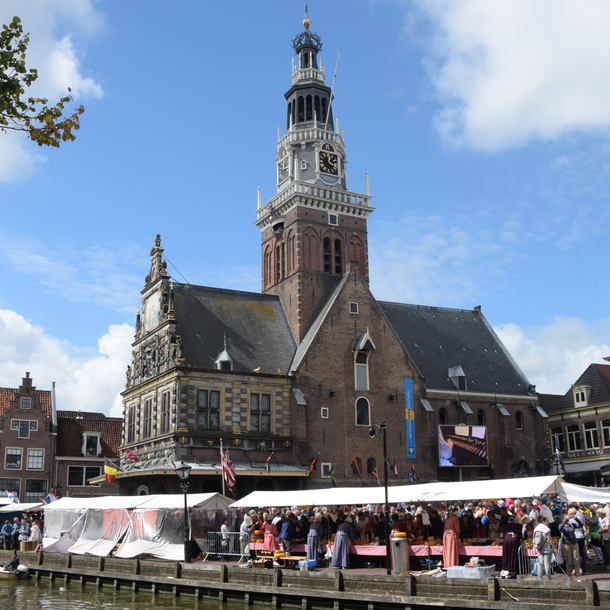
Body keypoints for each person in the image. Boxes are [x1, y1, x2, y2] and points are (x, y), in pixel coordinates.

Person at [559, 510, 582, 582]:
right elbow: (560, 528)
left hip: (574, 543)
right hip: (566, 544)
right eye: (565, 518)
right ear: (563, 519)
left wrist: (576, 518)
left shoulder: (572, 525)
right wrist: (565, 520)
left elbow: (581, 525)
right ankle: (569, 576)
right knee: (568, 561)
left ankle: (578, 576)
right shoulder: (562, 526)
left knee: (575, 560)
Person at [534, 516, 556, 581]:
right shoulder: (546, 528)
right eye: (547, 521)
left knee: (540, 563)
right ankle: (549, 579)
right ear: (543, 521)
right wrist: (554, 548)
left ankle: (540, 578)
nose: (548, 523)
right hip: (546, 546)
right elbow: (549, 539)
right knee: (547, 564)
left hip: (539, 546)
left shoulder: (536, 528)